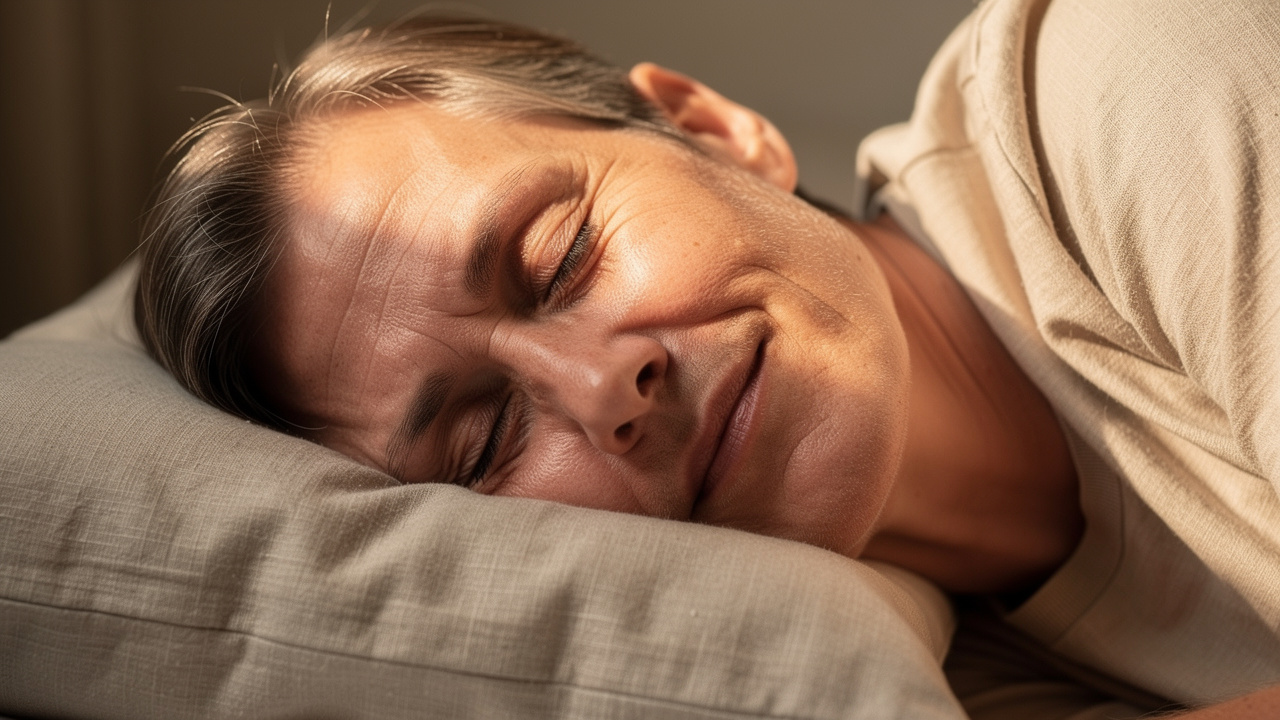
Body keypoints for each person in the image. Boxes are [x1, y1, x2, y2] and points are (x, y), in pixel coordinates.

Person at [133, 0, 1279, 717]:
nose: (598, 390)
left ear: (714, 129)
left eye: (563, 253)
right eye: (483, 441)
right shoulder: (898, 673)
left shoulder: (1123, 69)